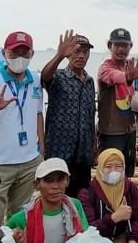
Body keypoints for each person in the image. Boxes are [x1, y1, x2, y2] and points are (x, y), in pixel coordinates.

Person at [0, 31, 45, 225]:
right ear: (4, 53)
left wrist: (41, 149)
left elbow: (38, 115)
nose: (19, 58)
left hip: (29, 160)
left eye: (24, 53)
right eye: (14, 53)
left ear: (32, 54)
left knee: (19, 217)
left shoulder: (36, 80)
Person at [41, 30, 97, 196]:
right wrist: (58, 55)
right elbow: (44, 77)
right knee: (57, 192)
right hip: (60, 148)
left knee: (82, 193)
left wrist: (94, 143)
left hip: (84, 150)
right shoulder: (58, 77)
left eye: (85, 52)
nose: (81, 56)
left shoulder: (89, 81)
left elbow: (90, 114)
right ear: (68, 54)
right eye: (76, 51)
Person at [96, 28, 138, 177]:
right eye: (117, 45)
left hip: (130, 130)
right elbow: (114, 77)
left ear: (131, 47)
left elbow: (131, 100)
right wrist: (128, 77)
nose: (121, 49)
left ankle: (125, 199)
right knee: (110, 175)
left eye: (125, 45)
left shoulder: (128, 67)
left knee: (127, 173)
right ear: (109, 46)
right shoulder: (105, 68)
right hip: (111, 134)